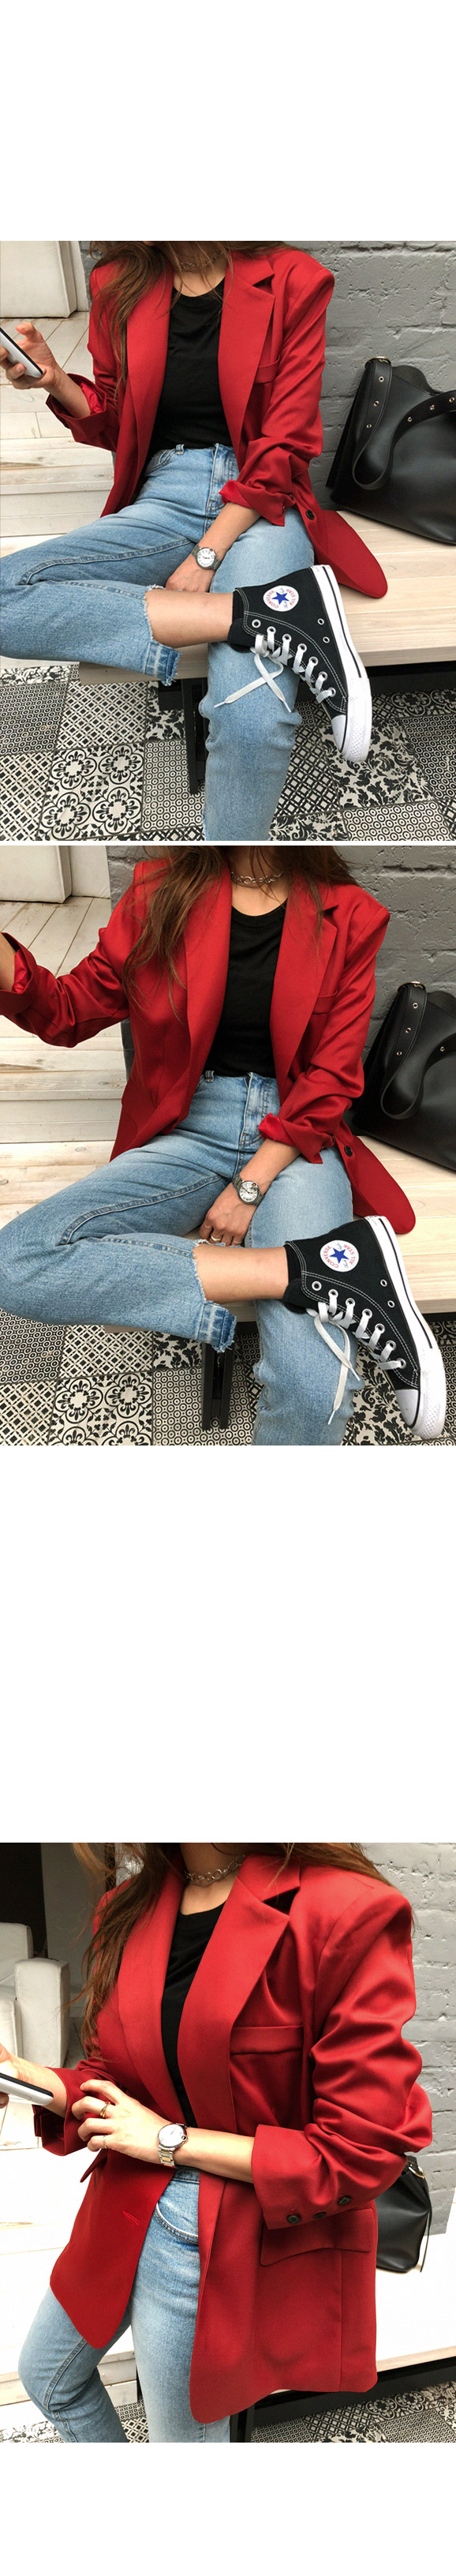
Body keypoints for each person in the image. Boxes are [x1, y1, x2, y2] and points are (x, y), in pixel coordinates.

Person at [0, 844, 445, 1442]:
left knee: (313, 1387)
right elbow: (66, 1012)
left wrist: (251, 1184)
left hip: (297, 1136)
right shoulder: (159, 892)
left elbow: (334, 1076)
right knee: (16, 1259)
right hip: (188, 1125)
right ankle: (321, 1270)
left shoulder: (349, 913)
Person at [0, 1841, 432, 2443]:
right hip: (124, 2201)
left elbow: (356, 2148)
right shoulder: (129, 1907)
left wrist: (169, 2140)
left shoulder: (344, 1910)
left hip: (214, 2232)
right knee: (48, 2376)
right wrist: (25, 2077)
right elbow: (114, 2075)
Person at [0, 242, 386, 840]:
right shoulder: (118, 282)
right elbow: (118, 420)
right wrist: (57, 383)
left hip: (260, 502)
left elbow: (286, 444)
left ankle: (224, 864)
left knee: (252, 715)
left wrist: (209, 554)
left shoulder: (294, 280)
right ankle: (274, 615)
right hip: (164, 494)